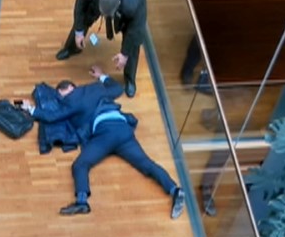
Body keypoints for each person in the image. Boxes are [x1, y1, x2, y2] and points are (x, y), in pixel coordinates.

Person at [20, 65, 186, 218]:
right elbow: (117, 88)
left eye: (62, 96)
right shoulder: (96, 88)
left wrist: (30, 108)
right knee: (146, 163)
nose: (63, 100)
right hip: (123, 129)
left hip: (105, 133)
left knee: (80, 165)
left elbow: (52, 116)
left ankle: (82, 202)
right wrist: (102, 76)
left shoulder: (73, 98)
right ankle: (175, 190)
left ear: (69, 90)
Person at [55, 0, 147, 99]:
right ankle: (71, 48)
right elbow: (80, 5)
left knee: (133, 44)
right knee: (82, 21)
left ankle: (130, 79)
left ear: (119, 4)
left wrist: (124, 54)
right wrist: (79, 32)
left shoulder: (133, 4)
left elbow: (135, 31)